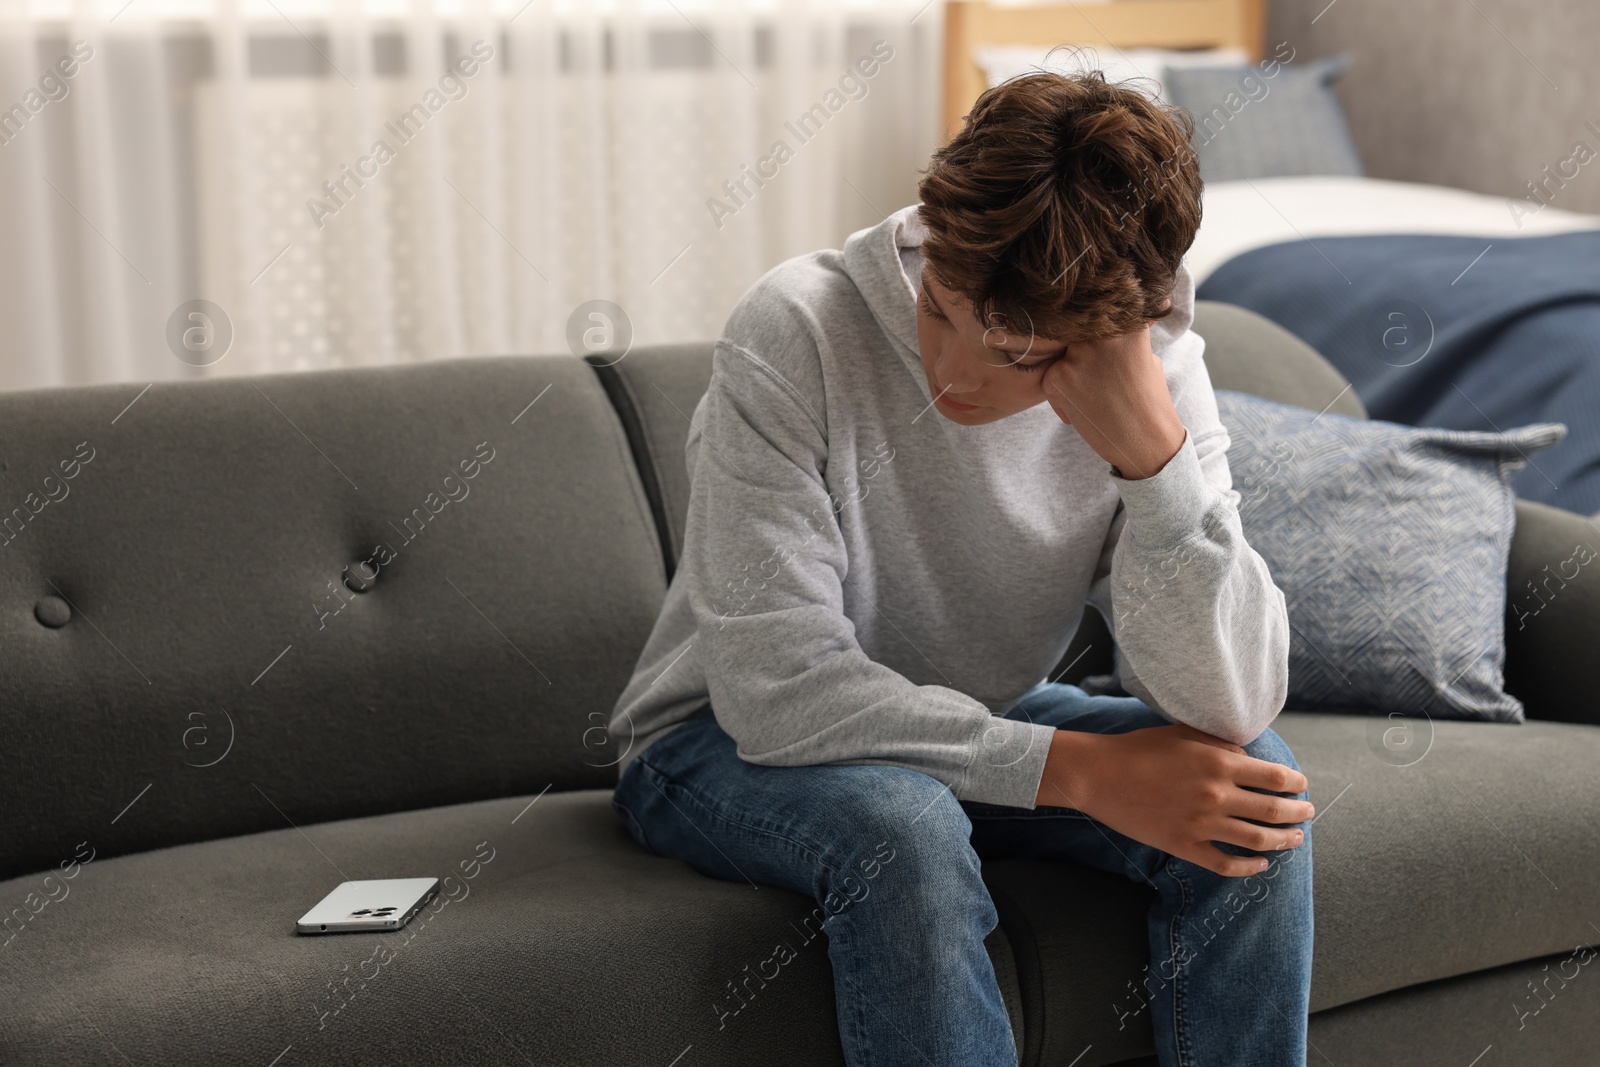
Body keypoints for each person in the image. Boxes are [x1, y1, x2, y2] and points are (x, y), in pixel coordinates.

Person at [607, 67, 1315, 1067]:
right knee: (903, 824)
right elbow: (775, 691)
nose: (955, 373)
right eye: (941, 309)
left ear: (1118, 328)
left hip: (964, 724)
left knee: (1256, 794)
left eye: (1020, 355)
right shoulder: (796, 329)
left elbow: (1229, 701)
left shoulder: (1155, 373)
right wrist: (1078, 770)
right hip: (712, 743)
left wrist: (1154, 467)